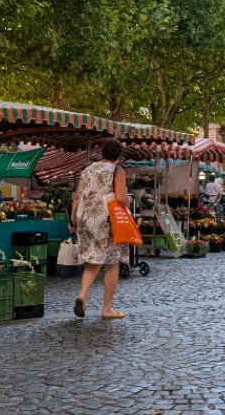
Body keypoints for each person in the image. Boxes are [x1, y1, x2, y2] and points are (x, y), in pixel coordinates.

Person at [69, 137, 129, 320]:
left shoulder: (87, 170)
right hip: (106, 221)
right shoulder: (117, 171)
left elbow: (77, 197)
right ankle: (107, 309)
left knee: (93, 261)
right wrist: (128, 200)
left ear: (102, 152)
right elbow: (121, 198)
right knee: (112, 263)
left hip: (86, 220)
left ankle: (82, 295)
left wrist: (73, 220)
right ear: (118, 155)